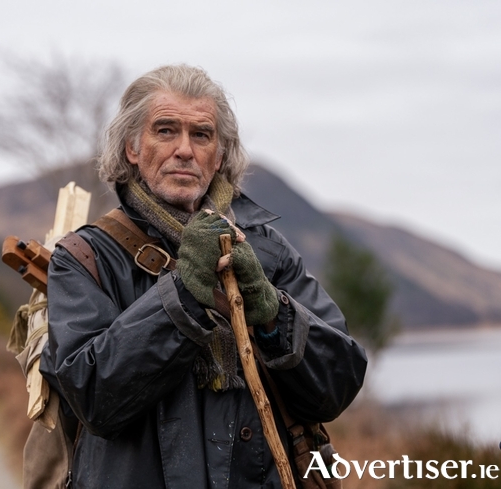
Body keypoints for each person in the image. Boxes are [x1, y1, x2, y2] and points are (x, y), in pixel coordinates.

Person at [39, 64, 367, 488]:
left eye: (201, 134)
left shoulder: (267, 251)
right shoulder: (84, 258)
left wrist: (271, 315)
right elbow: (94, 400)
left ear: (220, 155)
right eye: (165, 130)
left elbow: (337, 387)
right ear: (131, 148)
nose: (184, 150)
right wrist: (184, 293)